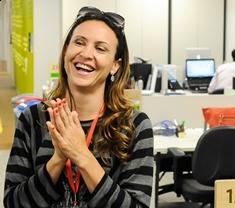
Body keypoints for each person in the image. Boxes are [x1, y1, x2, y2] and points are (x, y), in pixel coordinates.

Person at [4, 6, 154, 208]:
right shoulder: (33, 119)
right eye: (79, 42)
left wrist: (81, 155)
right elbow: (13, 203)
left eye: (100, 48)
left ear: (115, 65)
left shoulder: (134, 125)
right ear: (66, 51)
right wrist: (57, 159)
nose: (86, 53)